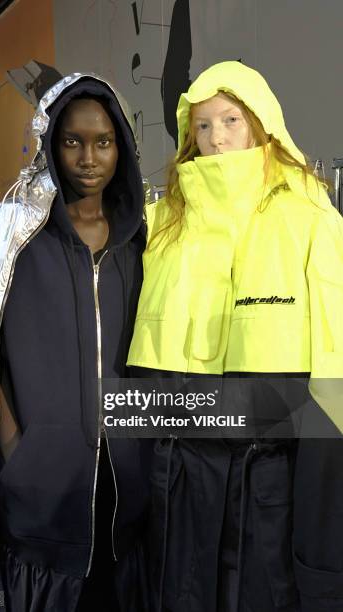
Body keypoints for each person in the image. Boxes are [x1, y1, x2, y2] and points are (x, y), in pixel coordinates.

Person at [127, 61, 343, 611]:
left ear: (261, 124)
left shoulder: (309, 214)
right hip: (178, 473)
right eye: (202, 126)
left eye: (230, 120)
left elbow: (333, 363)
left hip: (266, 475)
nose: (217, 139)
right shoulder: (164, 223)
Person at [0, 73, 151, 611]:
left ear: (121, 148)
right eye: (73, 141)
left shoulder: (137, 240)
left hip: (126, 493)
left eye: (103, 142)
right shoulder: (14, 232)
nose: (88, 158)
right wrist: (16, 447)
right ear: (51, 143)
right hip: (41, 501)